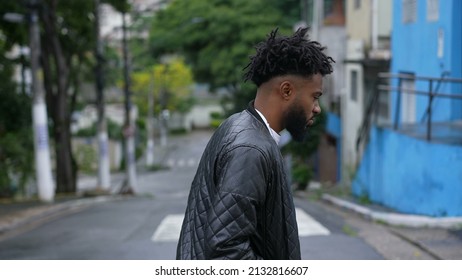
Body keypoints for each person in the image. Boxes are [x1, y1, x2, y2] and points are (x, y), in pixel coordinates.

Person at [176, 27, 334, 260]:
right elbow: (226, 251)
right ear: (287, 90)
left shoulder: (237, 126)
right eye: (315, 96)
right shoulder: (251, 148)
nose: (317, 108)